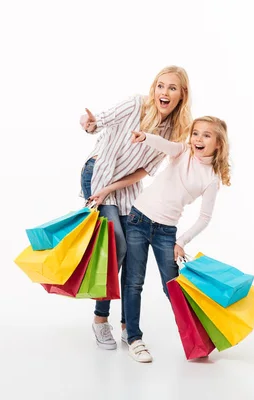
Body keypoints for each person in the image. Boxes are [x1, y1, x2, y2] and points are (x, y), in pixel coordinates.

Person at [79, 66, 192, 350]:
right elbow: (98, 122)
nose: (164, 93)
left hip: (125, 188)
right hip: (99, 172)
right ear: (153, 88)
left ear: (181, 95)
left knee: (132, 250)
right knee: (115, 242)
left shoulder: (173, 132)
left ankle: (128, 326)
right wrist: (89, 123)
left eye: (172, 88)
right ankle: (100, 319)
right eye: (160, 86)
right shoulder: (134, 104)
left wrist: (112, 189)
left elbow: (143, 171)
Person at [123, 116, 232, 362]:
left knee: (172, 288)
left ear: (218, 144)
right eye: (196, 133)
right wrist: (145, 137)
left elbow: (205, 218)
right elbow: (165, 145)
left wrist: (181, 241)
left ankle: (197, 339)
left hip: (166, 233)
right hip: (139, 219)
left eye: (206, 135)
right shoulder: (182, 151)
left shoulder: (211, 178)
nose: (198, 139)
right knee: (133, 282)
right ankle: (133, 338)